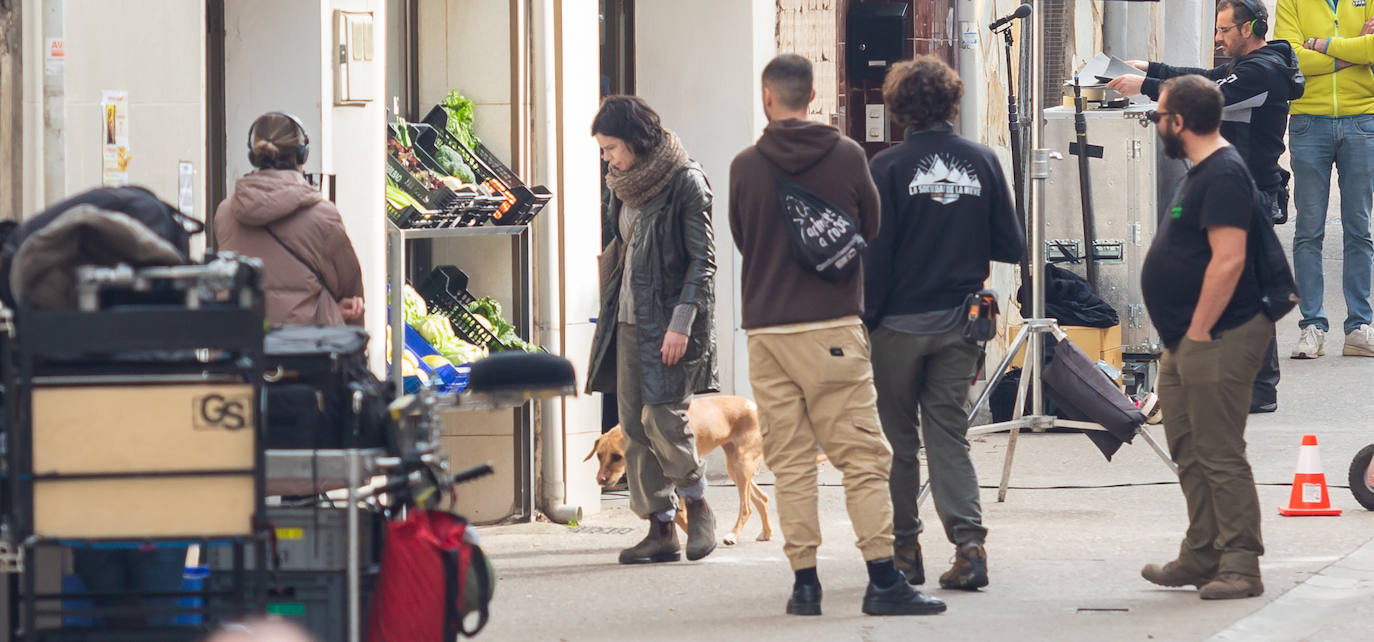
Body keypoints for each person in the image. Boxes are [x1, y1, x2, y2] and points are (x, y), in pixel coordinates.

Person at [730, 53, 945, 617]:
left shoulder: (745, 166)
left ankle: (805, 585)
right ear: (813, 95)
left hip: (767, 333)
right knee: (862, 457)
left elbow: (741, 236)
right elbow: (868, 228)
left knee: (791, 462)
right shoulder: (848, 155)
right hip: (832, 328)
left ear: (767, 98)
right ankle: (882, 579)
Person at [864, 56, 1025, 593]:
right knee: (949, 435)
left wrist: (868, 319)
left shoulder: (885, 168)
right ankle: (970, 547)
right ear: (953, 102)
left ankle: (904, 552)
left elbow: (876, 256)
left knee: (898, 440)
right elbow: (1011, 245)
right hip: (961, 322)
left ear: (898, 106)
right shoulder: (981, 161)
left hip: (897, 326)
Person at [1108, 0, 1303, 413]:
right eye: (1215, 29)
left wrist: (1144, 86)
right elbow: (1208, 76)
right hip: (1234, 188)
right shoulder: (1253, 65)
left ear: (1249, 28)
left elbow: (1208, 94)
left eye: (1224, 29)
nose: (1218, 37)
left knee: (1247, 287)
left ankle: (1260, 389)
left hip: (1248, 188)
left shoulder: (1263, 70)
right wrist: (1151, 68)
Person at [1139, 75, 1270, 600]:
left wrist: (1197, 331)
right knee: (1188, 444)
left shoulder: (1224, 175)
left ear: (1179, 122)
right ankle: (1202, 552)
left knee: (1218, 448)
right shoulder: (1202, 171)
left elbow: (1230, 258)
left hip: (1219, 333)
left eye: (1158, 115)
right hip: (1187, 335)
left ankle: (1241, 563)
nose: (1155, 124)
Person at [585, 95, 720, 565]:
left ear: (636, 141)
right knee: (635, 430)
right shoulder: (620, 184)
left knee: (663, 419)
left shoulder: (686, 181)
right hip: (625, 322)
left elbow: (703, 263)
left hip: (669, 324)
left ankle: (698, 503)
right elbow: (618, 245)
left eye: (611, 148)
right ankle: (661, 529)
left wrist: (680, 325)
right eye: (603, 151)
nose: (608, 158)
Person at [1274, 0, 1374, 359]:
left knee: (1359, 228)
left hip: (1363, 119)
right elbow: (1292, 59)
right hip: (1308, 121)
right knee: (1309, 229)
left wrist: (1320, 44)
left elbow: (1373, 48)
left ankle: (1359, 327)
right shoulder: (1292, 2)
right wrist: (1353, 52)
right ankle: (1312, 325)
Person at [215, 111, 364, 327]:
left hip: (243, 348)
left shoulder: (226, 213)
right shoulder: (323, 216)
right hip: (305, 350)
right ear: (302, 154)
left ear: (253, 155)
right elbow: (349, 291)